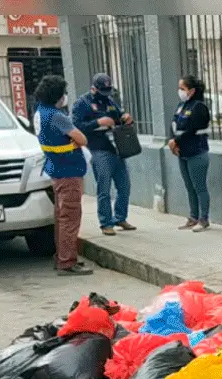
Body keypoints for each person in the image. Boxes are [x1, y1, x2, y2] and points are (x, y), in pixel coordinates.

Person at [33, 75, 92, 276]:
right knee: (70, 217)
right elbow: (82, 139)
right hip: (69, 170)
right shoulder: (57, 116)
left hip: (55, 168)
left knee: (61, 216)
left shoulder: (40, 112)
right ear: (57, 96)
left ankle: (61, 256)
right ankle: (67, 262)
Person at [72, 73, 136, 236]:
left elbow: (118, 118)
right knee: (104, 188)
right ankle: (106, 223)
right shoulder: (82, 103)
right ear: (93, 88)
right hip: (98, 150)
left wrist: (125, 118)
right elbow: (76, 126)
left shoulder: (110, 101)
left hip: (116, 149)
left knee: (124, 186)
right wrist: (98, 123)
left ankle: (120, 217)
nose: (106, 93)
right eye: (103, 90)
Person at [169, 75, 212, 232]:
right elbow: (174, 124)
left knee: (199, 186)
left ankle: (204, 219)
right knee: (189, 187)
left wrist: (176, 141)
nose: (179, 91)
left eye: (183, 88)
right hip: (183, 153)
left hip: (197, 152)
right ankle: (193, 217)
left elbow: (192, 129)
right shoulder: (182, 106)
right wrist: (171, 141)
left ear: (192, 91)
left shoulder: (199, 107)